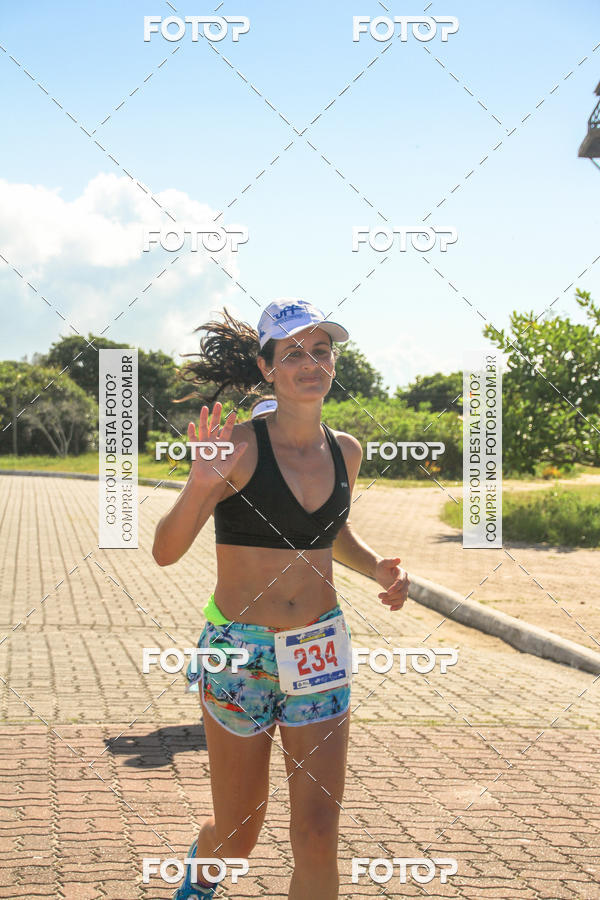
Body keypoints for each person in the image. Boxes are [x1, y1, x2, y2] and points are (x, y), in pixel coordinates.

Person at [152, 298, 410, 900]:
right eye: (293, 352)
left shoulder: (344, 450)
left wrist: (376, 568)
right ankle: (199, 877)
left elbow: (326, 532)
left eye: (321, 351)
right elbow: (165, 552)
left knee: (318, 834)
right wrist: (198, 488)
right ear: (268, 367)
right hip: (239, 651)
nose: (311, 363)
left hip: (319, 646)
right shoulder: (237, 448)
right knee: (240, 831)